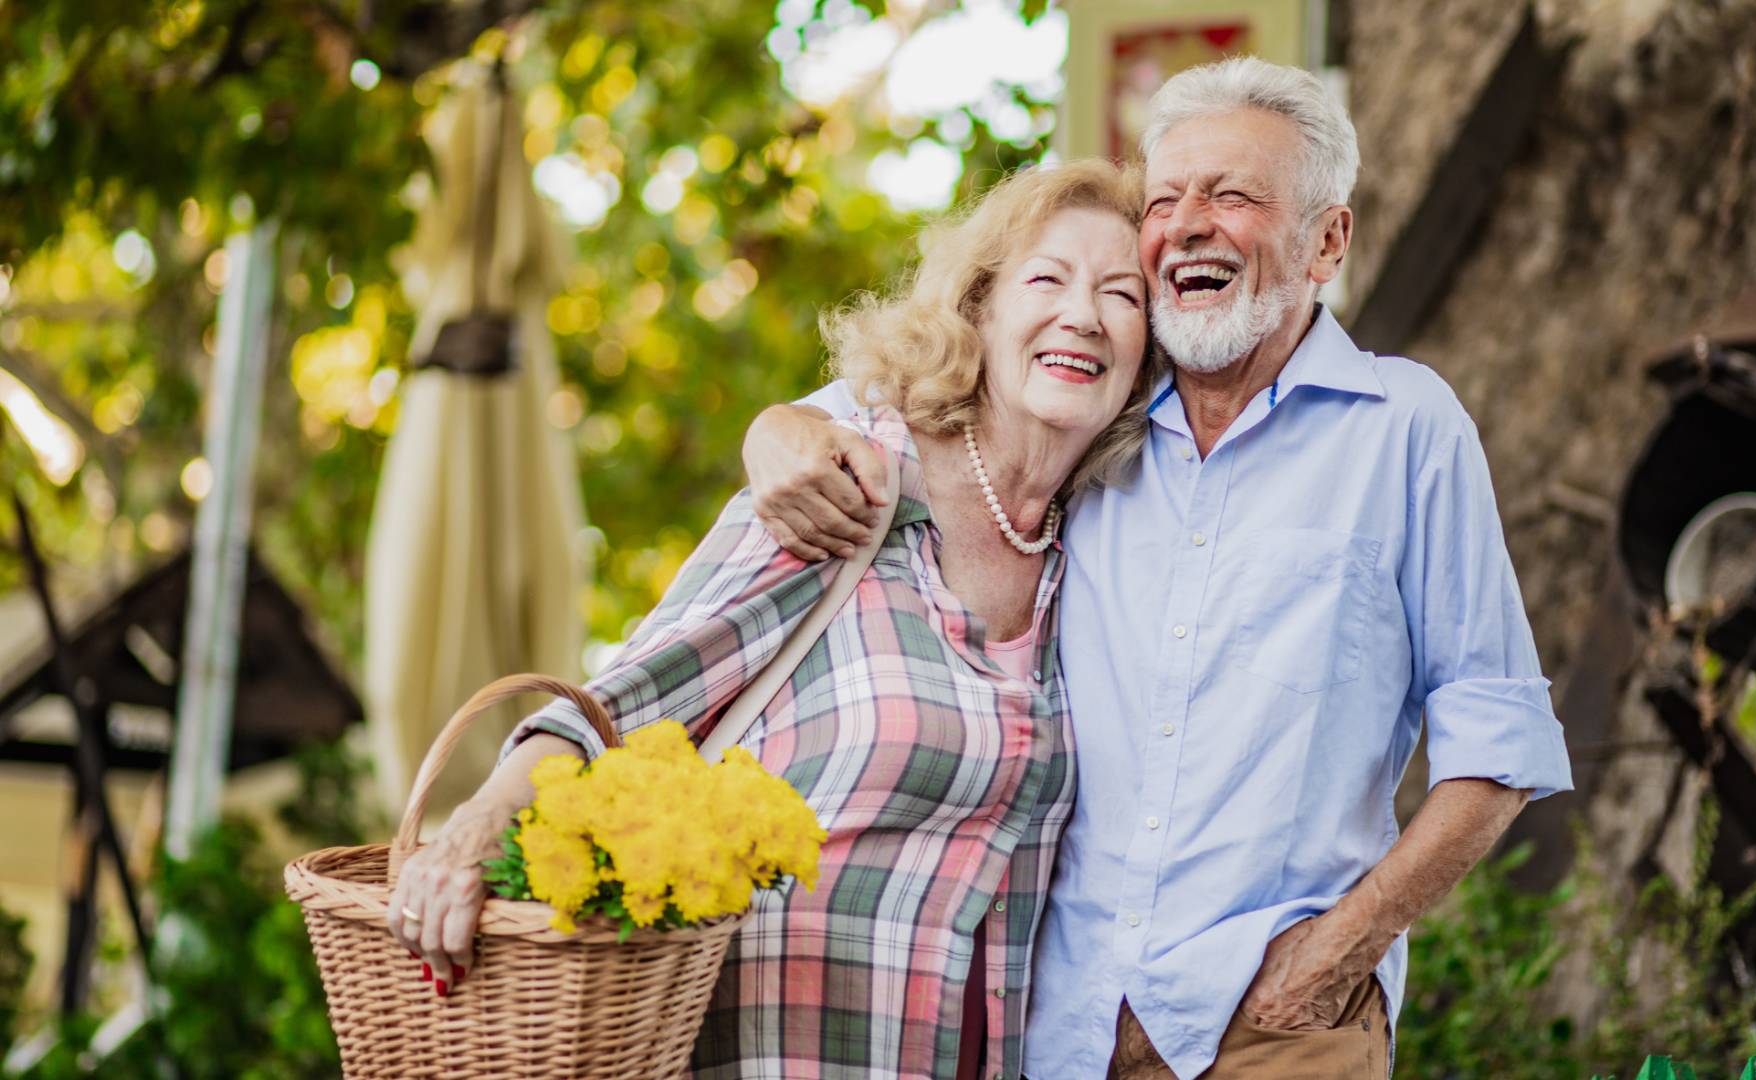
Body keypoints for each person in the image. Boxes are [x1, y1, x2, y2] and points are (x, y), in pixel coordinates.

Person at [744, 58, 1573, 1079]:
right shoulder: (1099, 415)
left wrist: (1329, 963)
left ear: (1328, 239)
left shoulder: (1404, 428)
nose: (1188, 223)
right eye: (1166, 199)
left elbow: (1497, 745)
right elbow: (936, 404)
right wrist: (783, 428)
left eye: (1232, 195)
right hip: (1058, 1027)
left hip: (1282, 1029)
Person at [385, 159, 1151, 1080]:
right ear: (979, 309)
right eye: (1048, 279)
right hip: (765, 1052)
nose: (1084, 315)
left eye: (1123, 295)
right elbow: (619, 708)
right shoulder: (848, 486)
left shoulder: (1102, 556)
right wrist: (473, 832)